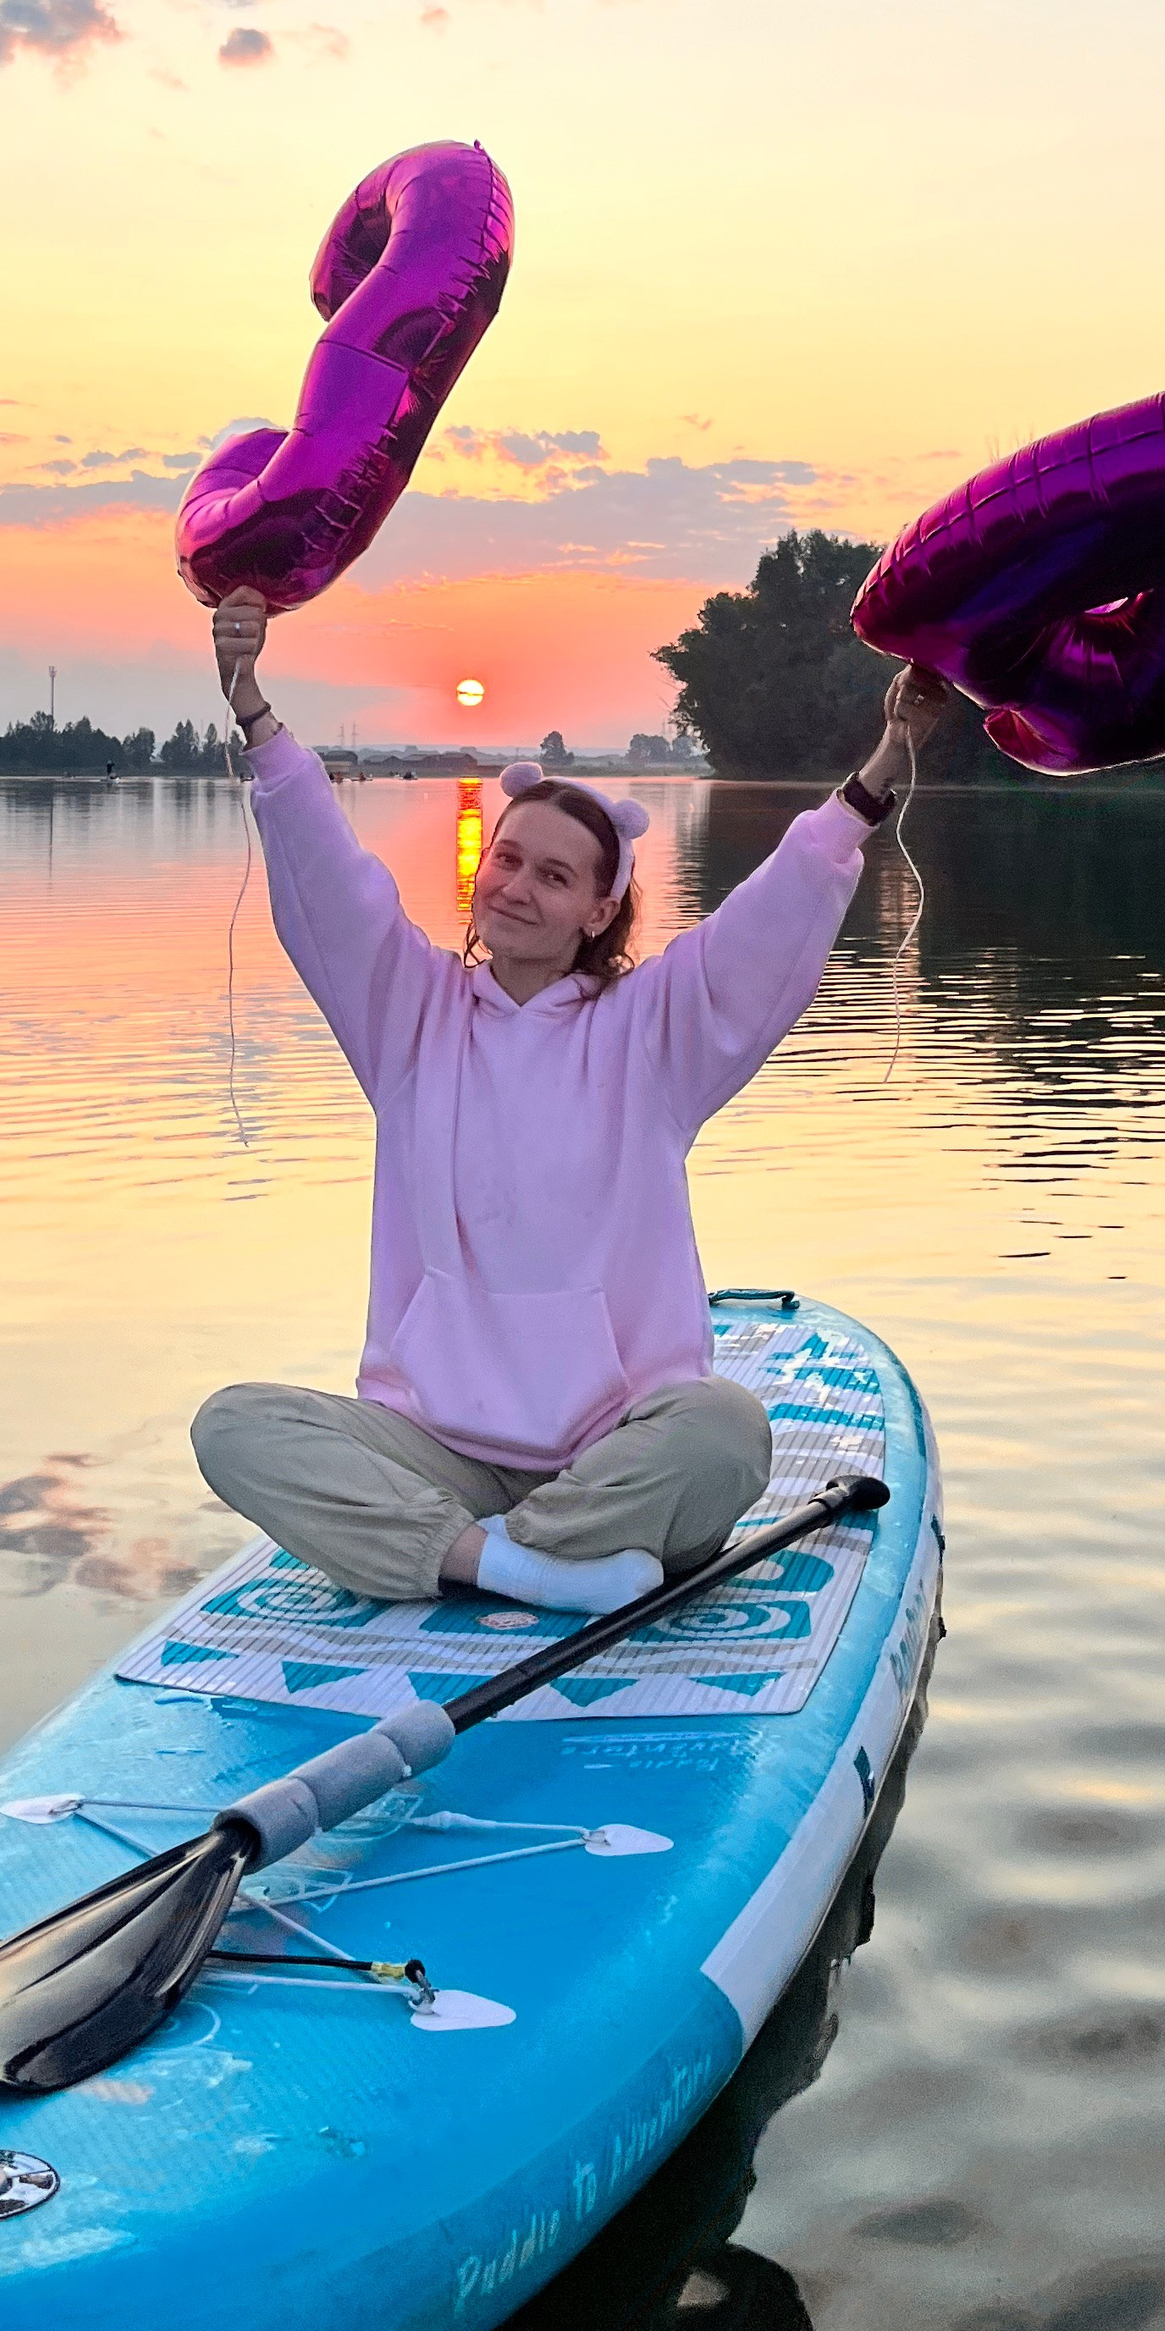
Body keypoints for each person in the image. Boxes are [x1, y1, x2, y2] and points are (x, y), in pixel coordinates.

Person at [191, 588, 951, 1613]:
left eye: (553, 874)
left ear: (599, 909)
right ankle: (514, 1561)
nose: (515, 885)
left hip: (618, 1447)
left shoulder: (653, 1032)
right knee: (235, 1424)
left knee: (725, 1430)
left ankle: (477, 1550)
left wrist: (885, 761)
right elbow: (331, 879)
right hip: (435, 1448)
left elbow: (769, 915)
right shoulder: (407, 1014)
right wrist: (251, 703)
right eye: (506, 857)